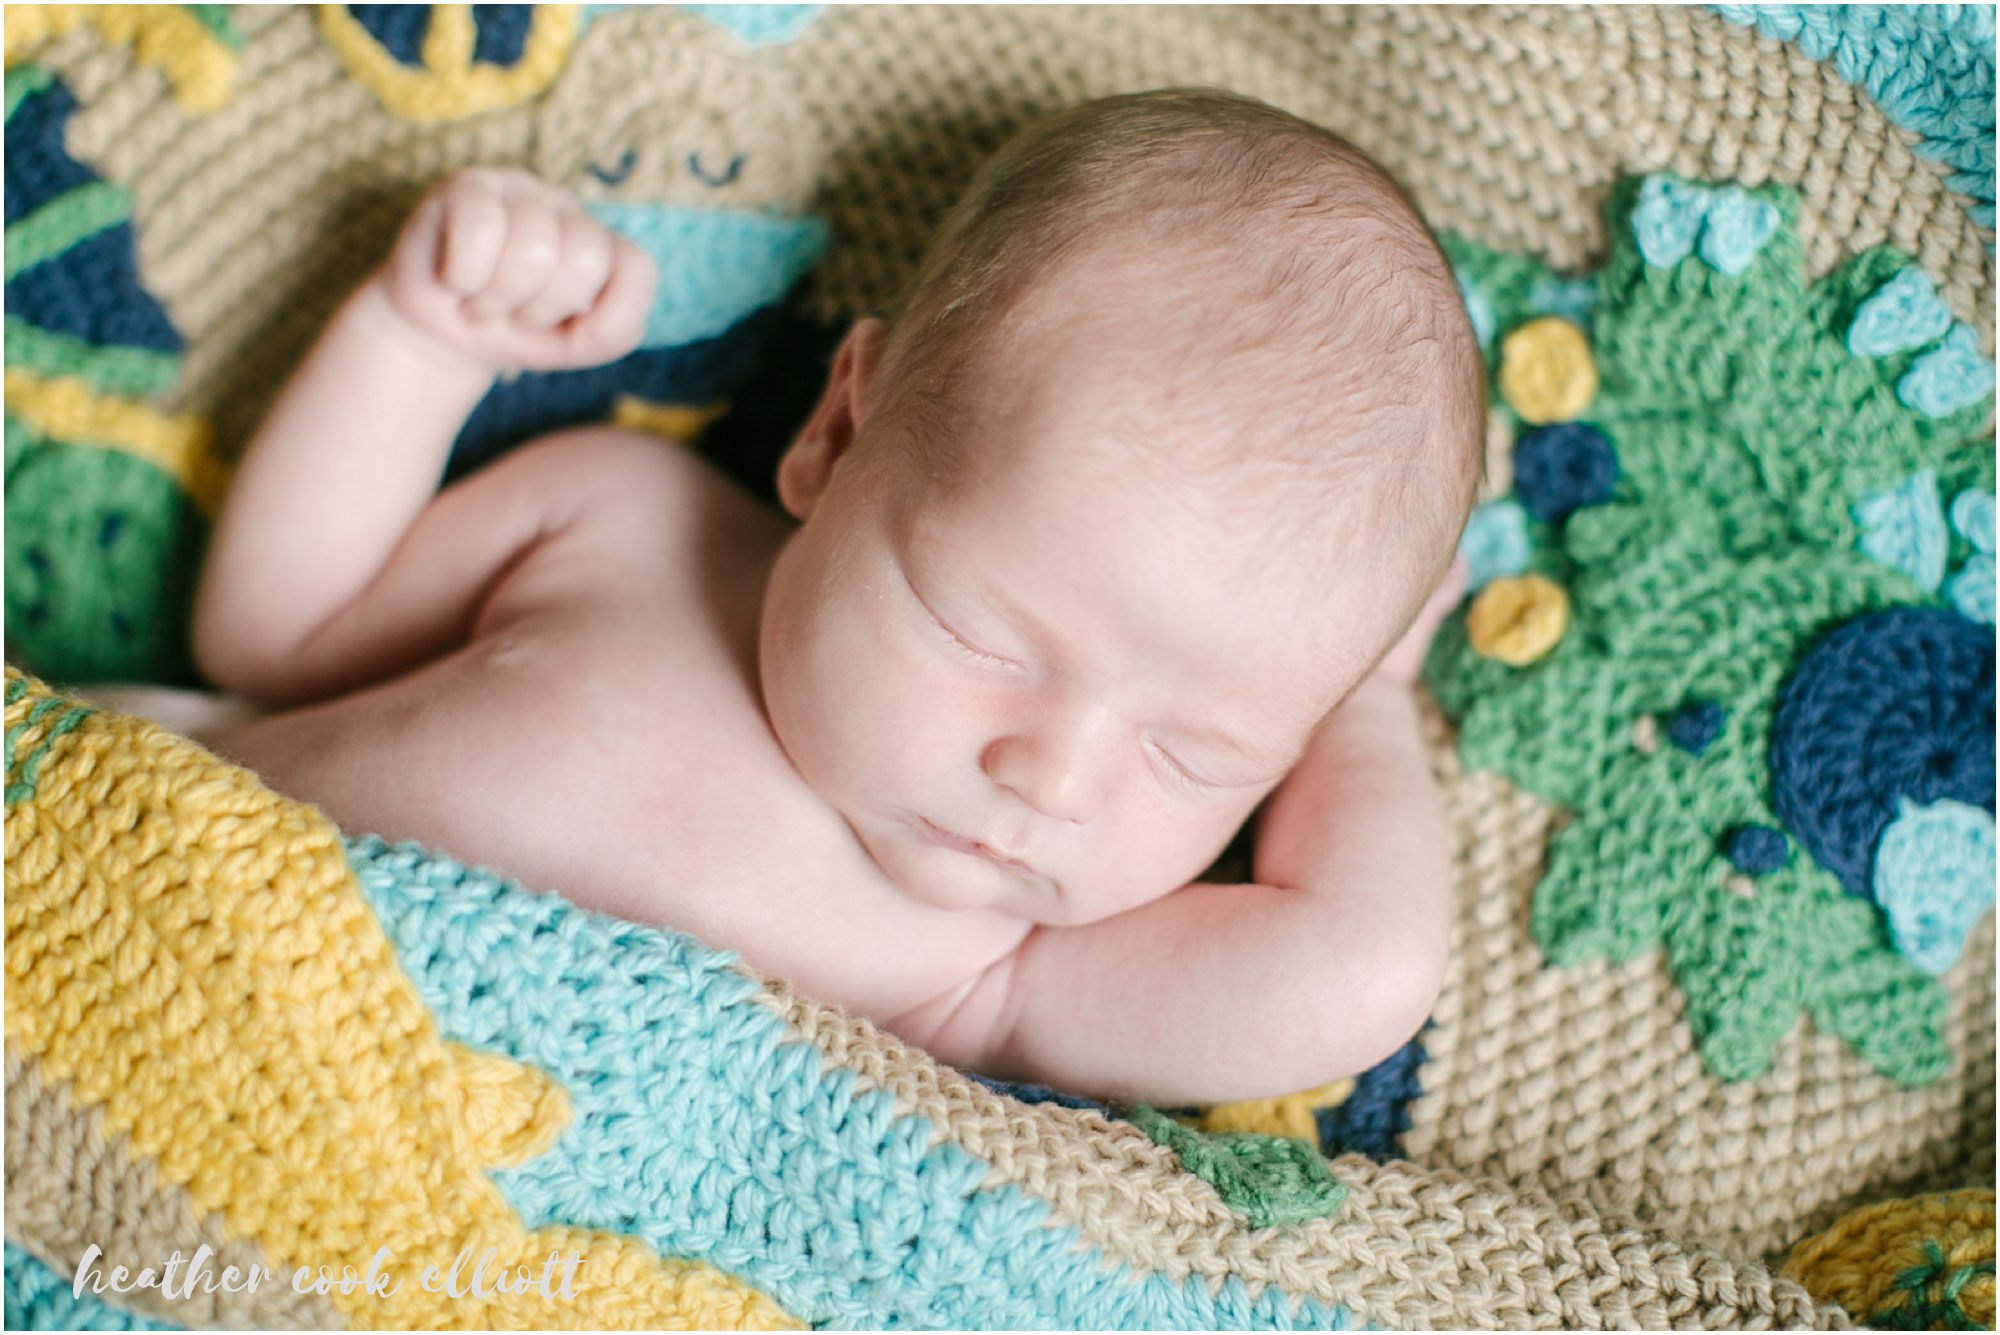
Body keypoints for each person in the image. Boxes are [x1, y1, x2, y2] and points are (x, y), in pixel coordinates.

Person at [170, 89, 1482, 1106]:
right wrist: (423, 344)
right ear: (838, 435)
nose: (1053, 780)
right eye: (981, 631)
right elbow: (276, 637)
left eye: (1193, 754)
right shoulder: (622, 520)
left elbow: (1355, 974)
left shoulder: (982, 965)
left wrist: (1362, 704)